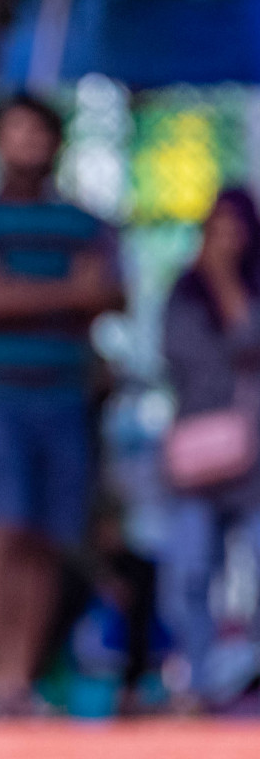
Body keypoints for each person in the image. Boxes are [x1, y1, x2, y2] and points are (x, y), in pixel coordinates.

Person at [0, 95, 123, 715]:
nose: (26, 143)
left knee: (49, 536)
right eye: (14, 131)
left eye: (38, 132)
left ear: (56, 142)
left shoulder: (83, 221)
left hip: (64, 398)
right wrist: (67, 290)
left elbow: (110, 293)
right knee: (6, 530)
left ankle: (20, 680)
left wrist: (20, 290)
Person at [160, 187, 260, 713]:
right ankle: (196, 679)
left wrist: (226, 280)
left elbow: (250, 339)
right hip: (199, 457)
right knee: (192, 569)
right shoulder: (182, 291)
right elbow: (180, 356)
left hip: (256, 457)